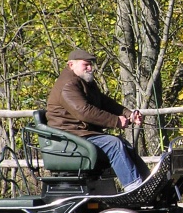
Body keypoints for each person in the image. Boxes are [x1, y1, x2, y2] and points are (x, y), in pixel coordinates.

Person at [46, 47, 149, 192]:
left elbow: (104, 102)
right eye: (85, 64)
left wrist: (128, 114)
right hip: (70, 138)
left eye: (91, 64)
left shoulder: (84, 81)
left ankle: (147, 183)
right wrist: (116, 121)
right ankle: (135, 189)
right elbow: (84, 112)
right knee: (114, 144)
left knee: (124, 144)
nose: (90, 68)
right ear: (71, 65)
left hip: (82, 134)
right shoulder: (68, 85)